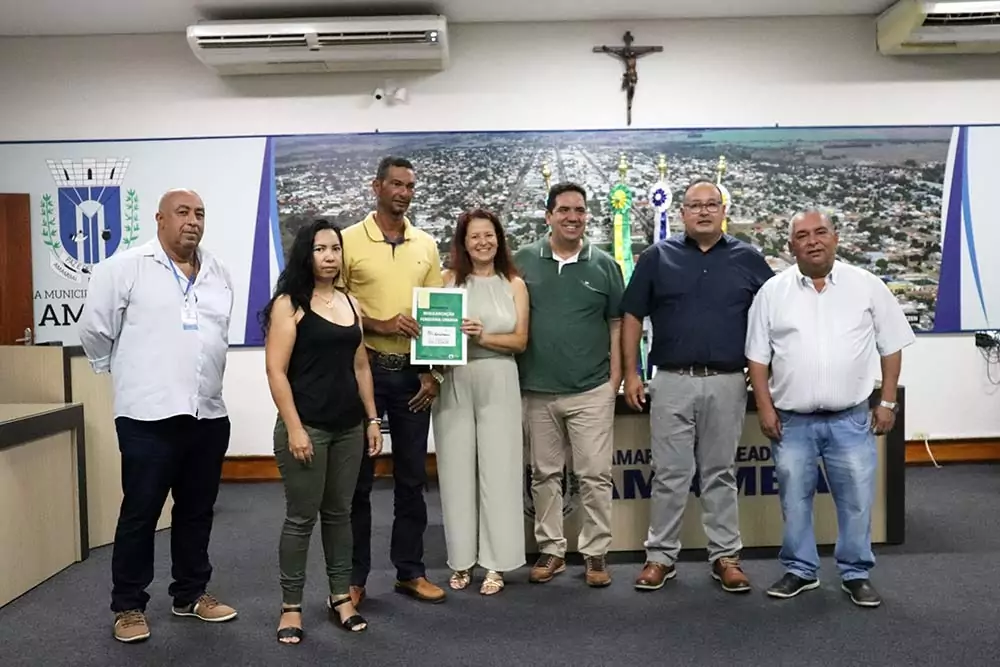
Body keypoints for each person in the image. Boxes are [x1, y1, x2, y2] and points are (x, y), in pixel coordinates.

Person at [78, 189, 238, 643]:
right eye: (182, 212)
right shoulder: (124, 268)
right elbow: (94, 329)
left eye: (200, 213)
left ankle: (190, 594)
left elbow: (216, 336)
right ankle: (128, 605)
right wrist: (128, 374)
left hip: (207, 412)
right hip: (148, 415)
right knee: (141, 512)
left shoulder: (218, 272)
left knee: (197, 512)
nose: (193, 221)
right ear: (160, 219)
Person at [745, 209, 915, 608]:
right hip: (792, 423)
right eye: (803, 235)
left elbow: (891, 345)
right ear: (791, 246)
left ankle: (855, 574)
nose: (813, 241)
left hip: (850, 420)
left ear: (835, 238)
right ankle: (801, 570)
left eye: (820, 232)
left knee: (856, 501)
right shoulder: (772, 292)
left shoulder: (867, 285)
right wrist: (764, 408)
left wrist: (887, 401)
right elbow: (757, 358)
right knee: (794, 502)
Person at [620, 178, 774, 594]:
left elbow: (772, 316)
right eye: (695, 205)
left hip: (727, 382)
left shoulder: (748, 258)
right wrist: (631, 373)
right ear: (682, 212)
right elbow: (632, 315)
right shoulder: (658, 257)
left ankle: (725, 557)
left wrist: (765, 368)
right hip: (671, 381)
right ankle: (660, 557)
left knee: (720, 473)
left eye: (711, 204)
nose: (703, 211)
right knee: (669, 474)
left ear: (723, 211)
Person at [261, 220, 383, 644]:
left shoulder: (350, 302)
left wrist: (372, 419)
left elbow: (361, 366)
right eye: (320, 249)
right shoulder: (289, 304)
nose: (330, 257)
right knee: (301, 519)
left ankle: (340, 598)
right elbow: (276, 371)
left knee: (339, 515)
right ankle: (291, 607)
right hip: (306, 427)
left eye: (335, 249)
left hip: (349, 427)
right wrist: (295, 428)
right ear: (306, 254)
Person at [341, 156, 447, 605]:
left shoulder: (425, 244)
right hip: (363, 372)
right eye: (396, 184)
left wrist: (433, 372)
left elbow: (437, 314)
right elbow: (333, 305)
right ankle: (353, 578)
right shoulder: (347, 241)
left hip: (411, 377)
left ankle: (410, 571)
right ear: (377, 187)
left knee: (411, 479)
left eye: (409, 186)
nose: (404, 193)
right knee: (358, 482)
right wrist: (379, 324)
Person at [515, 181, 625, 588]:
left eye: (579, 210)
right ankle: (551, 549)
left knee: (595, 475)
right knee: (544, 474)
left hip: (591, 389)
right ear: (548, 216)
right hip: (537, 390)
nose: (572, 217)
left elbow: (617, 325)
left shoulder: (605, 266)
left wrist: (615, 379)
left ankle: (595, 553)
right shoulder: (523, 261)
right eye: (564, 210)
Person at [432, 208, 529, 596]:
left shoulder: (514, 284)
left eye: (489, 235)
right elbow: (433, 336)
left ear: (499, 239)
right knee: (455, 471)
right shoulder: (447, 281)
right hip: (454, 379)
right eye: (474, 236)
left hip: (500, 378)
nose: (483, 242)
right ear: (463, 242)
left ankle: (495, 563)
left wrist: (482, 336)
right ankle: (461, 560)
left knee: (500, 472)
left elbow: (520, 341)